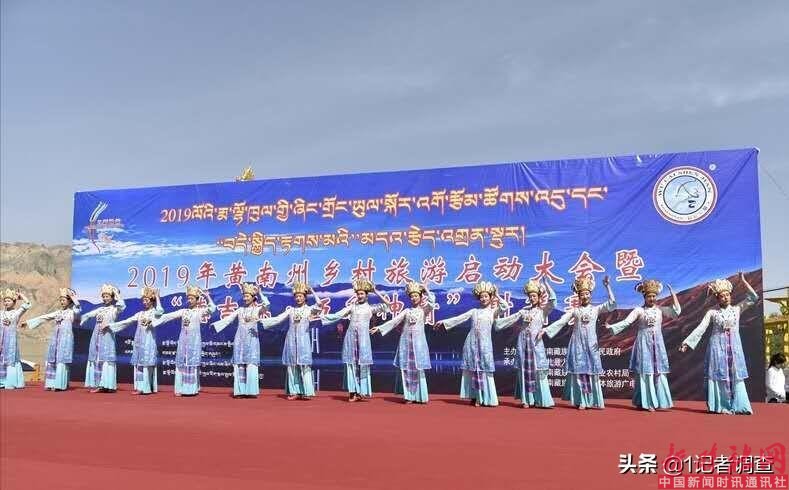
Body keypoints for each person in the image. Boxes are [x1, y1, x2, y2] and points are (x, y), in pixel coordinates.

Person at [680, 273, 758, 415]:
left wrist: (744, 281)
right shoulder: (712, 313)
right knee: (719, 375)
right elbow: (701, 328)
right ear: (717, 298)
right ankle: (721, 405)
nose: (725, 298)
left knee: (736, 375)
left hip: (734, 348)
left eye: (727, 295)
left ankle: (740, 405)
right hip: (717, 348)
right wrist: (687, 343)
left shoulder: (737, 309)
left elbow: (753, 298)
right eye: (722, 296)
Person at [540, 275, 615, 410]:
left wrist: (607, 286)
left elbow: (611, 304)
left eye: (587, 294)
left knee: (592, 372)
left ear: (590, 295)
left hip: (591, 345)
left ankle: (593, 400)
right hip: (577, 345)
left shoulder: (596, 309)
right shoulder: (575, 311)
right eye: (582, 294)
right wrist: (546, 329)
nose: (585, 296)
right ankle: (582, 401)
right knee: (580, 373)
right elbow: (561, 321)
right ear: (578, 296)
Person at [605, 279, 680, 411]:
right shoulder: (639, 310)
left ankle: (661, 401)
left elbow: (676, 312)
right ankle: (648, 402)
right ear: (644, 297)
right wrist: (612, 327)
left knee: (659, 371)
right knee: (646, 372)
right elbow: (627, 322)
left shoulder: (660, 310)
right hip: (643, 344)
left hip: (658, 344)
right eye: (649, 296)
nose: (652, 298)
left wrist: (673, 294)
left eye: (654, 296)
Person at [434, 281, 508, 407]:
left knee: (485, 370)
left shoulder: (493, 312)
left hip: (485, 345)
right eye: (482, 296)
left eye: (486, 296)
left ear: (490, 298)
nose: (484, 299)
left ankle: (487, 397)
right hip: (471, 344)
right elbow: (459, 318)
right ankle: (476, 396)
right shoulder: (474, 311)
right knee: (473, 370)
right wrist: (444, 322)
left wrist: (497, 295)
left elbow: (504, 306)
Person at [321, 279, 391, 402]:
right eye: (358, 294)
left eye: (362, 294)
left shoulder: (370, 308)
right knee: (351, 364)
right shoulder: (352, 307)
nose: (360, 296)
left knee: (362, 364)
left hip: (363, 340)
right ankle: (352, 392)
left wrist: (375, 291)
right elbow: (338, 315)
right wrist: (321, 316)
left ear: (366, 295)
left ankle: (362, 391)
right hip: (350, 339)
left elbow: (387, 305)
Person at [371, 282, 437, 404]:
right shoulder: (406, 311)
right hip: (405, 344)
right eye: (412, 296)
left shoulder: (424, 310)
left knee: (418, 369)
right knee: (406, 369)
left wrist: (426, 288)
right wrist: (380, 328)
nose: (414, 298)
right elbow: (395, 321)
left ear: (421, 297)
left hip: (418, 344)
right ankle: (409, 396)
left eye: (416, 296)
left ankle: (420, 396)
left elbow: (432, 302)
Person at [495, 279, 556, 408]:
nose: (532, 298)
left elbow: (553, 301)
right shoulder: (524, 311)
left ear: (539, 297)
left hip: (536, 345)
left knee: (538, 371)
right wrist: (496, 322)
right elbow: (510, 319)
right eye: (530, 296)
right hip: (523, 344)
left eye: (534, 296)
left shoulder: (543, 311)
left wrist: (546, 285)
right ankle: (527, 400)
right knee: (524, 371)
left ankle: (542, 400)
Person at [259, 283, 324, 400]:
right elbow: (278, 319)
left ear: (305, 297)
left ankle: (307, 392)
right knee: (292, 366)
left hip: (303, 341)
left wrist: (313, 291)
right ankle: (294, 392)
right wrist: (262, 321)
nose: (298, 298)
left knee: (304, 366)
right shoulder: (291, 311)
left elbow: (319, 305)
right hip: (291, 341)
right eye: (296, 296)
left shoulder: (309, 310)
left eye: (300, 296)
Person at [152, 285, 216, 396]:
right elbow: (167, 316)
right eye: (189, 298)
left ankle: (191, 389)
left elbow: (212, 308)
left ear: (197, 300)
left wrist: (207, 296)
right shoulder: (183, 311)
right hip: (183, 342)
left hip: (194, 342)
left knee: (192, 364)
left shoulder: (199, 311)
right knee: (181, 363)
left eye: (192, 298)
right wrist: (157, 300)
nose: (190, 300)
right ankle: (181, 389)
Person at [212, 283, 270, 398]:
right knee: (239, 365)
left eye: (247, 296)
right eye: (244, 296)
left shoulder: (257, 309)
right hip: (240, 340)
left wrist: (260, 293)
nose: (245, 298)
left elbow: (267, 305)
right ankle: (240, 391)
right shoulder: (240, 310)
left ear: (253, 297)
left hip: (252, 340)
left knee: (251, 364)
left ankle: (251, 391)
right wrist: (216, 325)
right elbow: (228, 319)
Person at [106, 287, 164, 395]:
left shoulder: (154, 313)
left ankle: (147, 387)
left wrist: (157, 297)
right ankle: (140, 387)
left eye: (146, 300)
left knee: (147, 365)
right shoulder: (140, 314)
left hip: (149, 342)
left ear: (152, 301)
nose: (144, 302)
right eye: (143, 300)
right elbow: (127, 321)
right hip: (139, 343)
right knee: (139, 365)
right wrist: (111, 326)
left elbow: (160, 311)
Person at [26, 288, 81, 391]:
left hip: (66, 338)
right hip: (55, 338)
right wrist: (28, 323)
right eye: (61, 300)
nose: (62, 302)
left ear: (69, 301)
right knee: (53, 358)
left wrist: (74, 298)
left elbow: (78, 311)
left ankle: (60, 384)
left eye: (64, 300)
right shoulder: (58, 312)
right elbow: (44, 317)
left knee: (61, 359)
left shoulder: (72, 312)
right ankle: (51, 383)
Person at [80, 284, 125, 392]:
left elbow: (122, 305)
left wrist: (116, 294)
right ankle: (99, 384)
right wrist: (82, 319)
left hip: (107, 336)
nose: (105, 298)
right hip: (97, 336)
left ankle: (108, 385)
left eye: (107, 296)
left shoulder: (114, 309)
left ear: (112, 297)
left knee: (107, 360)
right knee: (97, 359)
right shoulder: (100, 309)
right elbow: (88, 315)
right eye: (104, 296)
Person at [0, 288, 32, 389]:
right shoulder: (1, 313)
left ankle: (11, 382)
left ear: (14, 302)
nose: (6, 303)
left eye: (9, 301)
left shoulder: (16, 313)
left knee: (11, 360)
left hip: (11, 341)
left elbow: (28, 304)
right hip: (1, 340)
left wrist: (21, 295)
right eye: (5, 301)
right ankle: (1, 382)